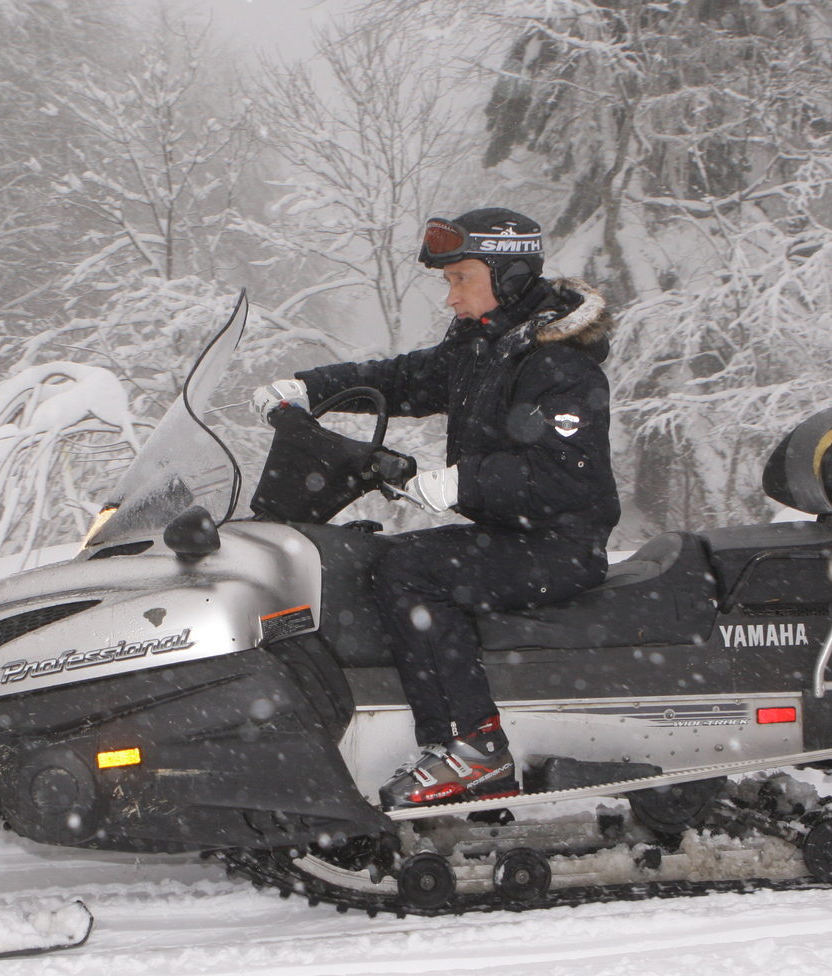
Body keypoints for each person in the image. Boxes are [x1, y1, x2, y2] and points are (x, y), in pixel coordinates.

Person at [252, 208, 619, 810]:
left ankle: (476, 750)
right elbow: (407, 379)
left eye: (460, 279)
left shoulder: (560, 365)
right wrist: (312, 389)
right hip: (512, 532)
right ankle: (436, 744)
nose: (450, 297)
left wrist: (457, 484)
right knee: (381, 558)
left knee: (411, 573)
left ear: (509, 274)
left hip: (562, 546)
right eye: (446, 282)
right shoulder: (485, 344)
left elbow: (563, 476)